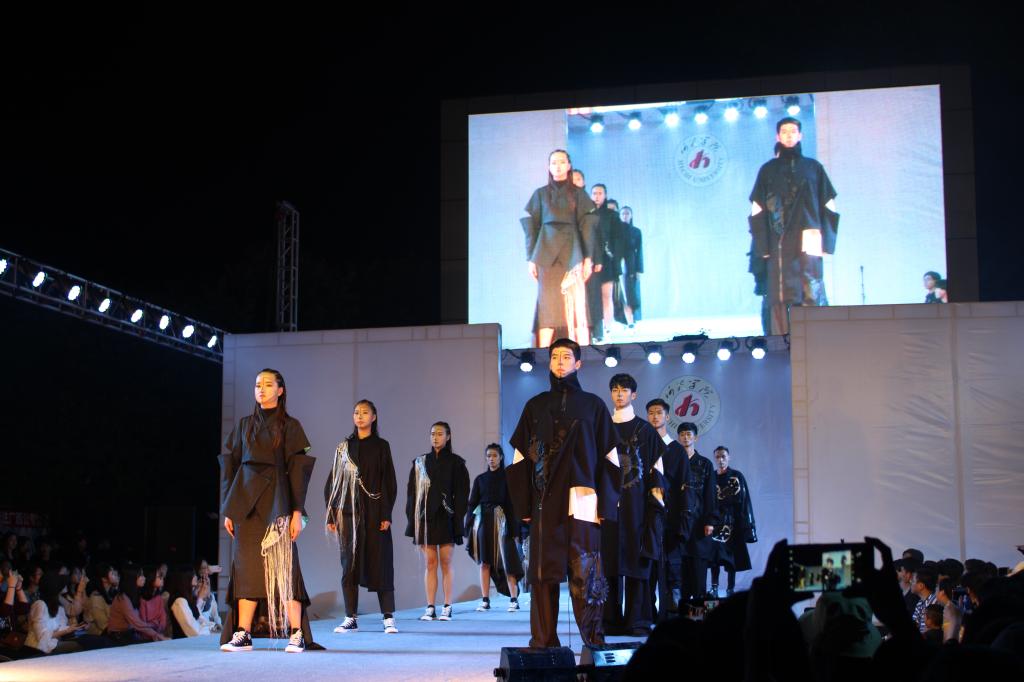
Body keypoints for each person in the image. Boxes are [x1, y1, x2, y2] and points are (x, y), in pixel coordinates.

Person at [506, 338, 621, 648]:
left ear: (578, 363)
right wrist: (523, 506)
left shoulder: (593, 406)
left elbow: (611, 459)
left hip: (582, 501)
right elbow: (519, 460)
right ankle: (543, 643)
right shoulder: (535, 406)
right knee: (543, 575)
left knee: (587, 573)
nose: (560, 361)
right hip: (544, 503)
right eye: (555, 356)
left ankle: (593, 643)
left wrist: (605, 505)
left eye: (567, 356)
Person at [219, 368, 317, 653]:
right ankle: (243, 633)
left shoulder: (290, 425)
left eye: (267, 384)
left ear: (280, 390)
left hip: (277, 501)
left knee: (284, 566)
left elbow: (297, 471)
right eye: (257, 385)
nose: (261, 389)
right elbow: (231, 468)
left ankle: (296, 632)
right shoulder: (244, 425)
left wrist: (297, 512)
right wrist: (230, 509)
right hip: (245, 503)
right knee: (246, 567)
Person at [748, 117, 839, 335]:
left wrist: (827, 243)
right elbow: (757, 209)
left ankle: (816, 339)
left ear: (800, 135)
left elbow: (829, 204)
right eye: (784, 131)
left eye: (793, 131)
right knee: (779, 294)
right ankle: (779, 342)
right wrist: (763, 247)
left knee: (810, 290)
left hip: (809, 238)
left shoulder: (813, 168)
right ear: (778, 136)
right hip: (778, 241)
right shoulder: (768, 170)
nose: (789, 135)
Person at [325, 399, 399, 634]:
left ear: (374, 417)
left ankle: (388, 617)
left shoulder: (382, 446)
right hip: (348, 513)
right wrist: (332, 514)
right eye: (356, 412)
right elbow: (333, 481)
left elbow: (389, 481)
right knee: (349, 565)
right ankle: (350, 617)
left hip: (375, 512)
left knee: (381, 562)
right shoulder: (344, 448)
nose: (359, 416)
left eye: (365, 412)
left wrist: (386, 513)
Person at [602, 374, 666, 636]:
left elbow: (657, 472)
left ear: (634, 395)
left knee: (637, 564)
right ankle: (609, 620)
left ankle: (637, 620)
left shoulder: (646, 431)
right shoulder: (602, 428)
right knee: (608, 565)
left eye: (624, 390)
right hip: (607, 508)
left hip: (638, 509)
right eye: (615, 390)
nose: (619, 394)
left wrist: (656, 508)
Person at [522, 149, 598, 348]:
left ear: (569, 165)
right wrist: (531, 259)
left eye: (562, 162)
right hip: (545, 254)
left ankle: (584, 351)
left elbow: (587, 227)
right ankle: (542, 352)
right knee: (547, 306)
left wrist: (588, 259)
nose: (557, 166)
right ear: (548, 166)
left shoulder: (578, 194)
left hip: (572, 253)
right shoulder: (540, 194)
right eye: (553, 162)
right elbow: (532, 228)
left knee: (577, 304)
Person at [406, 421, 470, 622]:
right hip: (426, 518)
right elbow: (412, 493)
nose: (435, 437)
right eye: (433, 433)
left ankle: (447, 606)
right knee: (430, 562)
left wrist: (457, 518)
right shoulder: (420, 462)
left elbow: (462, 494)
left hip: (447, 517)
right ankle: (430, 607)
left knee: (446, 561)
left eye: (440, 434)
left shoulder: (457, 463)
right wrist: (413, 519)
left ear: (448, 437)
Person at [465, 443, 523, 612]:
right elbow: (472, 504)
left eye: (494, 456)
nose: (491, 459)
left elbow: (512, 505)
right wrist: (468, 525)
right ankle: (485, 599)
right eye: (489, 456)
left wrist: (514, 530)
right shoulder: (480, 480)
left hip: (503, 523)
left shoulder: (507, 478)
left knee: (508, 560)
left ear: (501, 457)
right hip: (484, 523)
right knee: (484, 561)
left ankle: (513, 599)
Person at [675, 422, 717, 605]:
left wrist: (710, 521)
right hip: (679, 522)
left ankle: (701, 613)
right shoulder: (674, 461)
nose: (685, 437)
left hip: (699, 522)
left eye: (689, 434)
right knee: (681, 570)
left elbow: (710, 494)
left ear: (695, 437)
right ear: (678, 438)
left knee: (699, 569)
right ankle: (684, 613)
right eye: (682, 434)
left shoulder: (705, 464)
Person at [708, 446, 757, 597]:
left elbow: (744, 500)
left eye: (723, 456)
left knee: (732, 558)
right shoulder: (711, 477)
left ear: (729, 457)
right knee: (715, 557)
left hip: (732, 522)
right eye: (717, 457)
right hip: (715, 522)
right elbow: (707, 500)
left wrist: (747, 526)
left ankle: (730, 588)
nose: (720, 460)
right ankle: (714, 588)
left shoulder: (736, 476)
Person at [587, 183, 624, 343]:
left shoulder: (612, 215)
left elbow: (618, 240)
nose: (597, 196)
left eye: (600, 193)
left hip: (607, 260)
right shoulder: (586, 214)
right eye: (594, 193)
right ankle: (595, 331)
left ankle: (608, 328)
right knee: (591, 298)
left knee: (606, 296)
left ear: (605, 195)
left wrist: (616, 259)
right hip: (590, 260)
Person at [107, 566, 168, 643]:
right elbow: (137, 623)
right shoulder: (122, 598)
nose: (144, 578)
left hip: (130, 634)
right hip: (118, 636)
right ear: (132, 578)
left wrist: (157, 631)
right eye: (140, 575)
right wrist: (157, 635)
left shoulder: (135, 595)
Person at [168, 569, 215, 638]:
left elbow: (199, 619)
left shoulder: (188, 600)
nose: (196, 589)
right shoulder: (180, 601)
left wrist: (201, 597)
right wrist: (212, 630)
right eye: (193, 587)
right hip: (184, 642)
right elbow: (194, 631)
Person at [619, 206, 643, 327]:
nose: (625, 216)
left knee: (631, 292)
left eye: (627, 213)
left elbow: (639, 252)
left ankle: (632, 319)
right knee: (621, 292)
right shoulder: (616, 231)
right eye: (623, 213)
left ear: (631, 215)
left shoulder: (636, 231)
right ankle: (626, 320)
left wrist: (639, 269)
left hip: (631, 264)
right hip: (619, 264)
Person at [85, 563, 117, 636]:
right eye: (112, 573)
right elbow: (103, 624)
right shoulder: (96, 597)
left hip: (110, 632)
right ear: (104, 579)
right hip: (98, 635)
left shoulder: (112, 593)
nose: (115, 574)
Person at [194, 558, 222, 632]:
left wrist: (219, 625)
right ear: (197, 570)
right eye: (202, 568)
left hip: (209, 628)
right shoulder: (194, 591)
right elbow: (197, 614)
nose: (205, 570)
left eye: (206, 568)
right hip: (200, 628)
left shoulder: (211, 595)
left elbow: (216, 615)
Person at [139, 566, 168, 638]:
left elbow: (163, 617)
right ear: (151, 578)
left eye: (162, 577)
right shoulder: (142, 599)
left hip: (158, 633)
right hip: (146, 635)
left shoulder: (159, 598)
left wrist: (159, 629)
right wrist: (154, 630)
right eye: (159, 577)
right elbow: (143, 622)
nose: (162, 579)